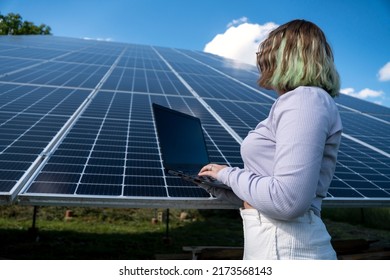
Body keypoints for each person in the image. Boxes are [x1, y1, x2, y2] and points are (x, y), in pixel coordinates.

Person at [198, 19, 343, 260]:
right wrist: (225, 188)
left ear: (286, 58)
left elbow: (288, 201)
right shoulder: (305, 102)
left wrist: (227, 174)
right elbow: (274, 191)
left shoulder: (305, 100)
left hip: (286, 246)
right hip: (276, 242)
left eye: (268, 55)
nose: (263, 63)